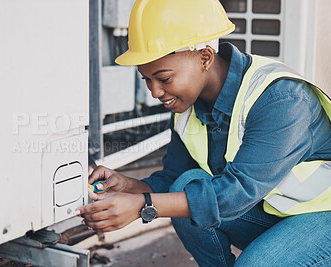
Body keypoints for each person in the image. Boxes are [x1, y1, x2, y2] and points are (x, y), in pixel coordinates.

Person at [76, 0, 331, 265]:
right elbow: (174, 180)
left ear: (205, 58)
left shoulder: (281, 99)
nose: (155, 92)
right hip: (273, 213)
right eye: (147, 80)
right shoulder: (188, 106)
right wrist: (128, 186)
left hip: (324, 217)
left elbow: (239, 190)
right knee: (186, 185)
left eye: (163, 78)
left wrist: (142, 205)